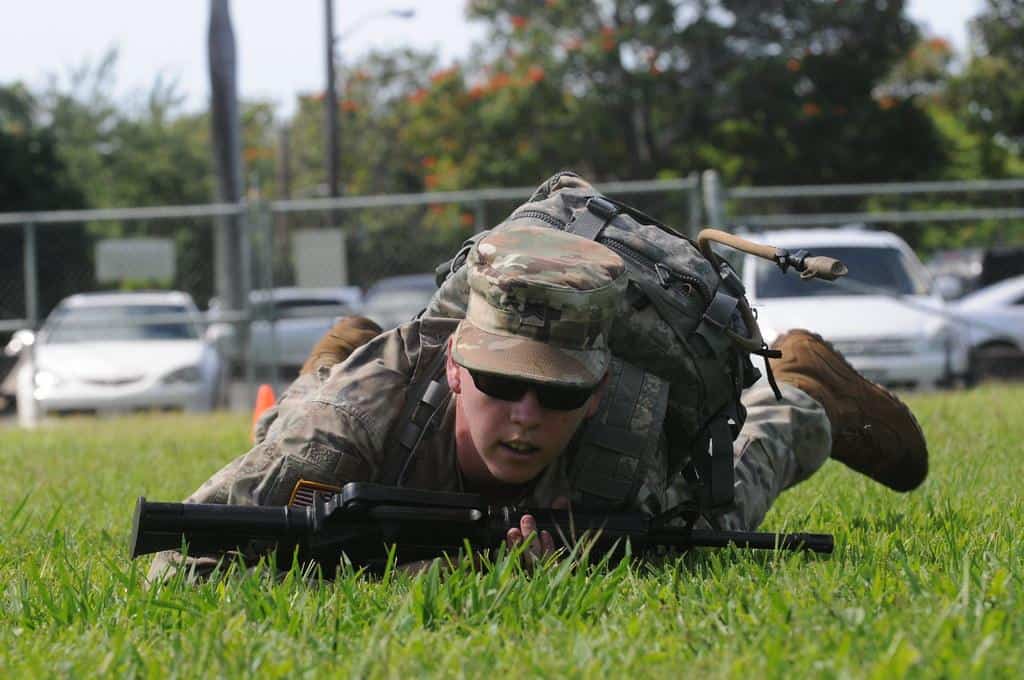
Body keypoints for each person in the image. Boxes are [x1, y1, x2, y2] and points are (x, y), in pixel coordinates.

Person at [147, 226, 927, 582]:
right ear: (458, 366)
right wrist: (406, 576)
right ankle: (335, 360)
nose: (525, 416)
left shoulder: (621, 431)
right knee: (291, 446)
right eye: (500, 384)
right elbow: (172, 568)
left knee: (716, 523)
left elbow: (674, 541)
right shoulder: (347, 426)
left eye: (556, 393)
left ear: (593, 394)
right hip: (366, 405)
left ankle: (810, 393)